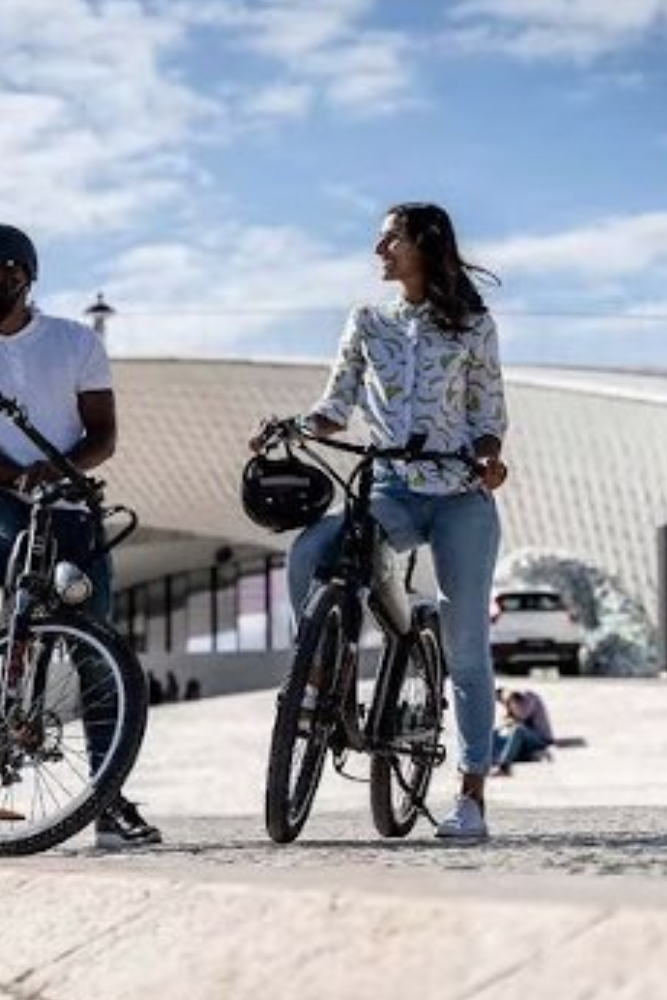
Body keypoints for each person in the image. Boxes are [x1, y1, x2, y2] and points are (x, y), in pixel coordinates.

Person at [252, 202, 509, 841]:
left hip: (459, 495)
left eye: (391, 238)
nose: (378, 250)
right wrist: (293, 428)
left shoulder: (474, 325)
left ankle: (472, 794)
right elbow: (335, 406)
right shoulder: (368, 321)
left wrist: (487, 459)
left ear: (425, 243)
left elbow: (488, 417)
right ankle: (320, 680)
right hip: (389, 490)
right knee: (311, 551)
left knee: (466, 646)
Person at [0, 222, 161, 849]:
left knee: (95, 634)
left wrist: (56, 476)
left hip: (66, 493)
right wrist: (18, 479)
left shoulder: (76, 342)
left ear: (18, 276)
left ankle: (108, 801)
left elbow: (102, 436)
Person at [492, 688, 554, 775]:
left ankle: (504, 767)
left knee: (518, 730)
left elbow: (522, 715)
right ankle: (488, 760)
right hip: (526, 741)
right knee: (494, 734)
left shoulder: (530, 697)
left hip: (541, 739)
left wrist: (509, 700)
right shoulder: (512, 707)